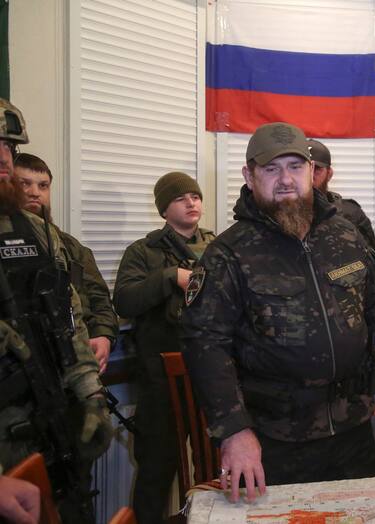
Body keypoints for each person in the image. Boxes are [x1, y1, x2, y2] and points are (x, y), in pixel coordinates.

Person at [181, 122, 375, 502]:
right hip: (274, 441)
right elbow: (205, 346)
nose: (286, 179)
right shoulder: (228, 254)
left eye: (295, 166)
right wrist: (233, 431)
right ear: (249, 176)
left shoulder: (346, 235)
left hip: (353, 429)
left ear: (311, 170)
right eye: (271, 168)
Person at [0, 98, 112, 521]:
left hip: (51, 422)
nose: (3, 157)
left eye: (8, 146)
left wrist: (92, 396)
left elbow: (69, 320)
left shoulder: (40, 234)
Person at [113, 171, 215, 523]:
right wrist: (170, 276)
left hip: (210, 372)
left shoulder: (218, 246)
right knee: (156, 470)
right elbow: (125, 301)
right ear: (163, 209)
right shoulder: (143, 251)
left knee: (215, 468)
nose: (191, 203)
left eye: (195, 196)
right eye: (179, 198)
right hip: (161, 378)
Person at [14, 152, 118, 373]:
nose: (35, 192)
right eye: (25, 183)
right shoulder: (8, 246)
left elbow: (99, 297)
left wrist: (103, 335)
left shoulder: (71, 247)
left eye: (43, 186)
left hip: (74, 357)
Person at [307, 138, 375, 252]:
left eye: (317, 169)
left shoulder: (351, 214)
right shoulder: (285, 216)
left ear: (329, 174)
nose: (310, 176)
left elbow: (369, 259)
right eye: (305, 168)